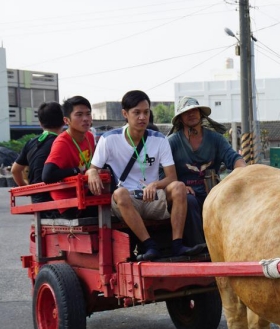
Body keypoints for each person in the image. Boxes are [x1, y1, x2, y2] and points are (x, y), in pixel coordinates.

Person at [87, 90, 205, 261]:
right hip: (126, 202)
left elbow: (171, 177)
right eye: (137, 112)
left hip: (153, 197)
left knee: (179, 187)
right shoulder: (109, 139)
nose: (142, 117)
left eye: (146, 112)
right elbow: (93, 168)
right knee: (120, 193)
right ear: (125, 114)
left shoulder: (159, 139)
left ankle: (178, 244)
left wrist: (155, 185)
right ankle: (150, 245)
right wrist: (91, 172)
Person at [168, 96, 246, 246]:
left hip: (212, 191)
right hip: (185, 195)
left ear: (200, 114)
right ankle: (200, 247)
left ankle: (234, 244)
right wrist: (178, 186)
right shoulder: (172, 142)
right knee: (189, 201)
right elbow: (162, 172)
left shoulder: (216, 139)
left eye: (194, 110)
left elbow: (233, 158)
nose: (191, 114)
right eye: (186, 112)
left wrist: (243, 171)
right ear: (180, 119)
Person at [42, 96, 96, 218]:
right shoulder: (62, 142)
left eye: (88, 114)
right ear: (66, 121)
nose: (86, 119)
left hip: (85, 194)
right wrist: (77, 171)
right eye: (79, 115)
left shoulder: (90, 137)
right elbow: (47, 175)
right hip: (67, 202)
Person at [12, 101, 64, 206]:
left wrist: (26, 187)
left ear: (40, 122)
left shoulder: (31, 143)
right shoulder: (63, 142)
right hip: (59, 200)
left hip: (37, 200)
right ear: (64, 121)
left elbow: (15, 170)